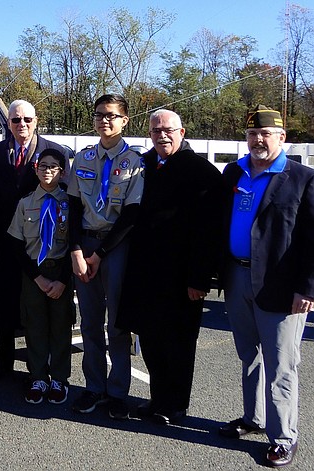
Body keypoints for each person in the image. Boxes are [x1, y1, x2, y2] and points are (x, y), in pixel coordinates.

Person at [218, 105, 314, 468]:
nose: (258, 140)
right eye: (252, 134)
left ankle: (284, 438)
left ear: (282, 138)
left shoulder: (302, 178)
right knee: (249, 356)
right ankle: (253, 418)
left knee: (281, 364)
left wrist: (308, 288)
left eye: (266, 134)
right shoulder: (234, 172)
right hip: (236, 276)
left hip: (281, 285)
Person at [116, 109, 224, 425]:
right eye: (155, 130)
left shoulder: (201, 171)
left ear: (182, 132)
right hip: (146, 272)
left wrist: (199, 277)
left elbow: (209, 230)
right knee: (149, 338)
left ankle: (176, 403)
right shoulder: (144, 165)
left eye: (168, 130)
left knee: (178, 342)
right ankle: (157, 398)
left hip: (182, 275)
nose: (162, 135)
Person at [67, 94, 144, 419]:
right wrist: (75, 252)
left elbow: (130, 215)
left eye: (111, 116)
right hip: (83, 245)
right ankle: (94, 387)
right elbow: (71, 208)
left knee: (118, 325)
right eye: (99, 115)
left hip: (116, 250)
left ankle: (117, 392)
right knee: (90, 323)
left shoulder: (136, 162)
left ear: (125, 120)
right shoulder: (82, 158)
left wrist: (98, 254)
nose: (104, 121)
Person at [0, 99, 69, 382]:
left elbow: (68, 199)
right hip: (7, 244)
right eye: (16, 120)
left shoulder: (55, 154)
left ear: (36, 121)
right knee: (4, 306)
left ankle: (48, 372)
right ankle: (3, 364)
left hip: (43, 247)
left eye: (27, 120)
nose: (22, 125)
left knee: (49, 313)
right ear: (8, 123)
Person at [7, 148, 75, 404]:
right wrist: (37, 277)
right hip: (34, 273)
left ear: (62, 171)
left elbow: (74, 244)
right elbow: (16, 244)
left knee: (61, 326)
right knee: (34, 325)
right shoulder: (25, 203)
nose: (47, 171)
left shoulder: (70, 202)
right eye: (43, 166)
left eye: (54, 167)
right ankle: (37, 377)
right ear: (35, 169)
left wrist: (64, 280)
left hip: (60, 272)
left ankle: (59, 378)